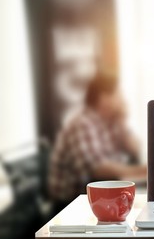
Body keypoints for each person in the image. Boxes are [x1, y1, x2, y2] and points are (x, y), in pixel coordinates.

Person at [49, 73, 147, 213]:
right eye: (119, 94)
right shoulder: (83, 124)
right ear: (104, 98)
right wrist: (143, 171)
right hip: (71, 205)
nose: (123, 99)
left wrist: (122, 120)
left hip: (98, 197)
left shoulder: (109, 122)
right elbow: (98, 170)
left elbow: (135, 148)